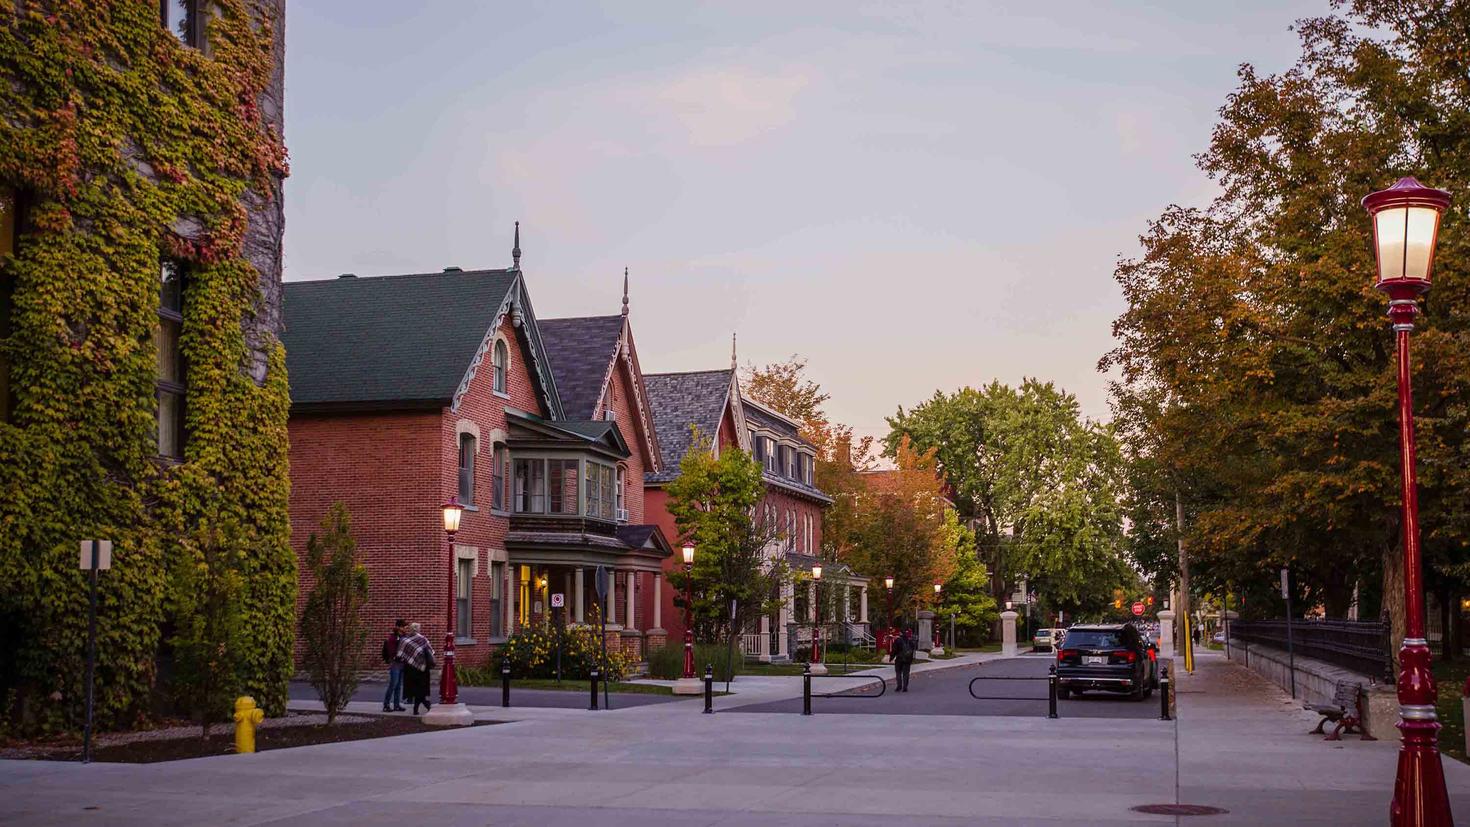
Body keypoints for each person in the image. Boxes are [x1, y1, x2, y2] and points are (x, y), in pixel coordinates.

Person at [397, 621, 436, 715]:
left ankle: (417, 708)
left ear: (411, 629)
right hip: (422, 668)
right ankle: (426, 705)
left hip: (410, 668)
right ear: (418, 629)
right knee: (421, 689)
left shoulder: (405, 640)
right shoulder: (423, 639)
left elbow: (400, 654)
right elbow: (431, 651)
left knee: (416, 689)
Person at [381, 618, 407, 712]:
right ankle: (386, 705)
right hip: (395, 663)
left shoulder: (404, 636)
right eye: (403, 626)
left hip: (402, 663)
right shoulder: (393, 637)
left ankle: (396, 705)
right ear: (398, 627)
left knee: (399, 686)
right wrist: (397, 656)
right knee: (393, 684)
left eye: (405, 626)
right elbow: (391, 651)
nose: (405, 628)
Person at [889, 627, 915, 692]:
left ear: (900, 633)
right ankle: (905, 687)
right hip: (907, 659)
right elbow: (912, 650)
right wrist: (911, 659)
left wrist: (891, 658)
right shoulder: (910, 641)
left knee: (898, 672)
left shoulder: (898, 640)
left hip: (899, 659)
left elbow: (894, 650)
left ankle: (899, 686)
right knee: (906, 673)